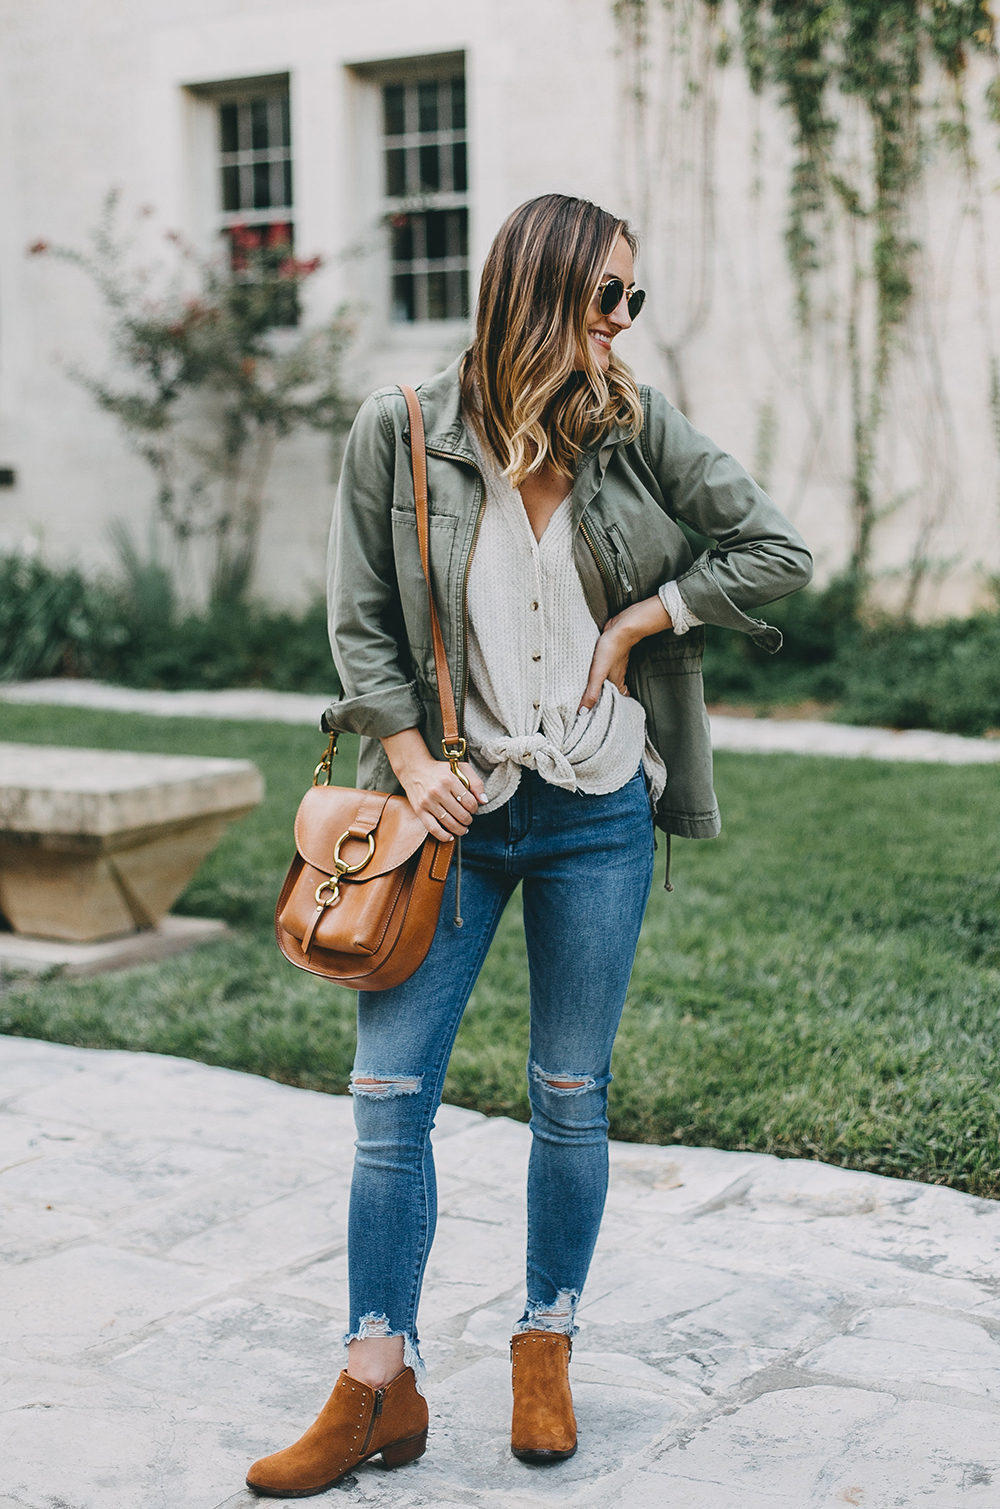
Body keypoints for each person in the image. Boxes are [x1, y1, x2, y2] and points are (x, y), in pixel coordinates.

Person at [246, 193, 812, 1498]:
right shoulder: (399, 433)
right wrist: (412, 766)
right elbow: (363, 628)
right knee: (389, 1100)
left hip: (599, 812)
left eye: (633, 300)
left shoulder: (631, 428)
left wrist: (637, 627)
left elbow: (774, 545)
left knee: (570, 1091)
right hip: (455, 820)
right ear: (538, 292)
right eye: (605, 296)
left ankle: (544, 1341)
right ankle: (374, 1379)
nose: (622, 323)